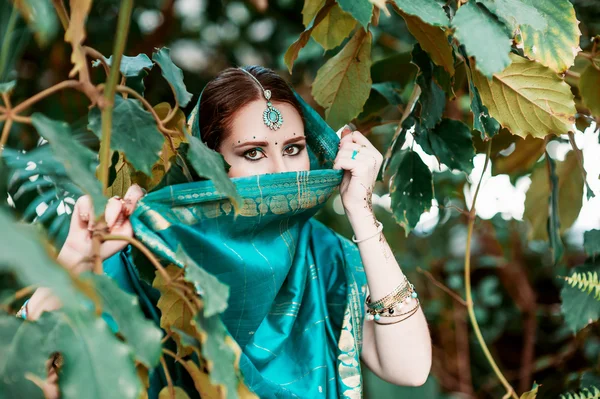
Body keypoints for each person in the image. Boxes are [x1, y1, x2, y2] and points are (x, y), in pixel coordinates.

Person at [21, 66, 432, 398]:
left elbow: (410, 369)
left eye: (293, 149)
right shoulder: (148, 254)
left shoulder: (326, 257)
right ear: (208, 164)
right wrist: (75, 258)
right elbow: (29, 376)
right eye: (253, 153)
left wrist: (359, 210)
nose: (280, 171)